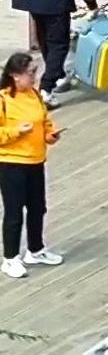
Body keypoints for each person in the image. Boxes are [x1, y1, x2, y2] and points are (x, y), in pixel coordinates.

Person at [0, 52, 60, 278]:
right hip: (11, 163)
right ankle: (10, 258)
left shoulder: (34, 94)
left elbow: (44, 120)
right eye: (30, 73)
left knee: (38, 208)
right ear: (15, 76)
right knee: (14, 212)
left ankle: (35, 249)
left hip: (36, 160)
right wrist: (16, 131)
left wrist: (50, 134)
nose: (34, 77)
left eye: (35, 72)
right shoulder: (3, 99)